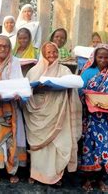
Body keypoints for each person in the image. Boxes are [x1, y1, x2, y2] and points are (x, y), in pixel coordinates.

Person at [23, 42, 82, 185]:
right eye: (48, 52)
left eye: (54, 52)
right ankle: (36, 174)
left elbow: (72, 87)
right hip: (37, 114)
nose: (51, 55)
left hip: (58, 113)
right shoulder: (33, 72)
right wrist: (38, 88)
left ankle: (54, 177)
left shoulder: (65, 70)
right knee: (38, 149)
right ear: (43, 54)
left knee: (56, 145)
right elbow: (27, 92)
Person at [79, 44, 108, 192]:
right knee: (90, 147)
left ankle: (100, 179)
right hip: (91, 118)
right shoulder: (87, 73)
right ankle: (87, 179)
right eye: (100, 57)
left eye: (106, 57)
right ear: (94, 57)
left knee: (107, 147)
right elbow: (79, 92)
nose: (103, 60)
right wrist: (89, 98)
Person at [0, 35, 27, 184]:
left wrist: (17, 94)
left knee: (12, 139)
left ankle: (12, 170)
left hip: (12, 108)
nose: (2, 48)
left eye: (5, 46)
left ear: (9, 48)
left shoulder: (15, 62)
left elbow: (19, 83)